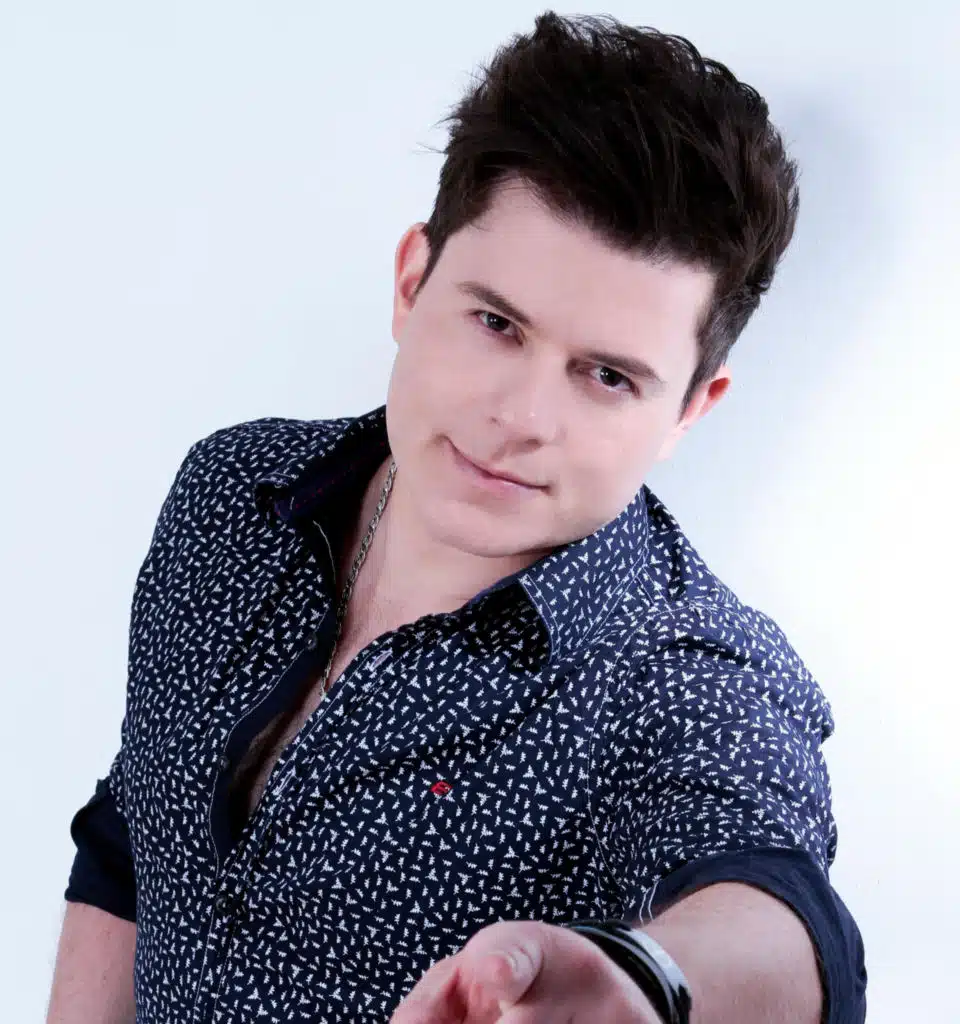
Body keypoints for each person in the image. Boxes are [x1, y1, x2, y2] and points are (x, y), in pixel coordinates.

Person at [46, 11, 867, 1024]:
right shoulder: (233, 493)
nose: (521, 418)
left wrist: (650, 983)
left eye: (608, 376)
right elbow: (134, 832)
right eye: (496, 323)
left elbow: (784, 916)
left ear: (691, 410)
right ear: (411, 282)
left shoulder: (686, 674)